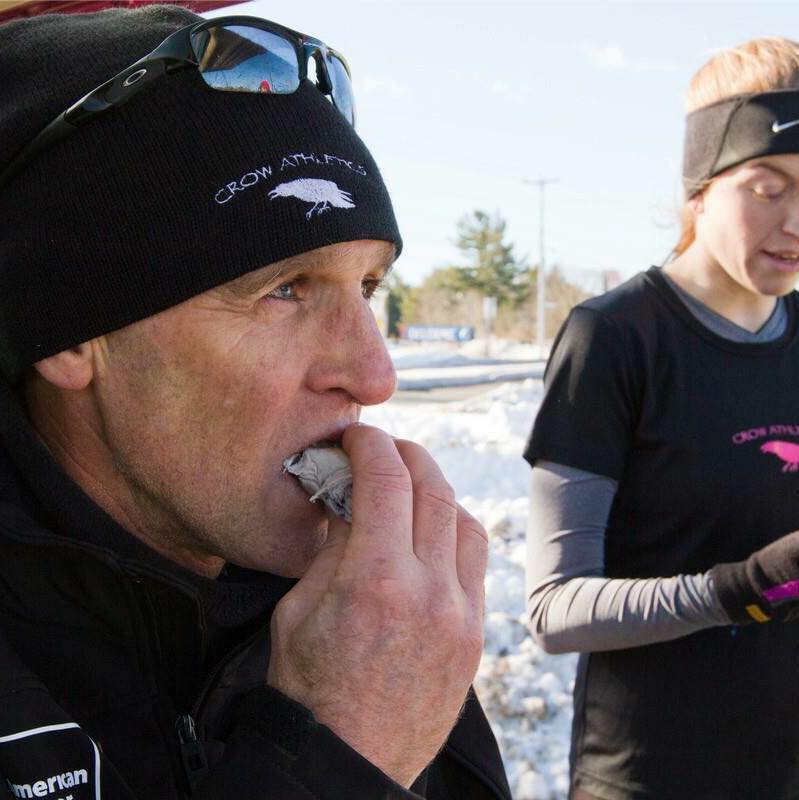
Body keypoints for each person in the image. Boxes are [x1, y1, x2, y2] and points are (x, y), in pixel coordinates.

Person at [0, 6, 512, 799]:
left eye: (367, 287)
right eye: (284, 289)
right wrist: (340, 753)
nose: (374, 375)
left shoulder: (368, 623)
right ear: (70, 337)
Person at [524, 37, 799, 800]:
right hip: (650, 776)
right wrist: (743, 589)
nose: (794, 221)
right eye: (767, 187)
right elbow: (555, 610)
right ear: (700, 188)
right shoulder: (613, 337)